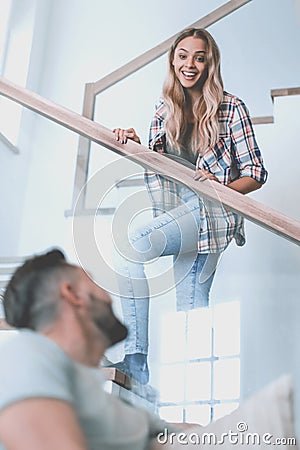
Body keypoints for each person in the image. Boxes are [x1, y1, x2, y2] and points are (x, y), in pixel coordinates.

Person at [111, 27, 268, 385]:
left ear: (210, 63)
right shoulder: (163, 109)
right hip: (175, 215)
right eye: (183, 56)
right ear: (173, 60)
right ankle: (188, 388)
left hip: (211, 214)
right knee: (191, 311)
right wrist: (135, 144)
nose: (190, 64)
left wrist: (220, 187)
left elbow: (256, 173)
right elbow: (161, 168)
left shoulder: (231, 108)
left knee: (130, 246)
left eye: (200, 57)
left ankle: (137, 357)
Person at [0, 249, 175, 450]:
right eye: (93, 282)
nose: (109, 297)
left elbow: (187, 438)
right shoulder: (24, 355)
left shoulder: (106, 405)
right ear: (73, 294)